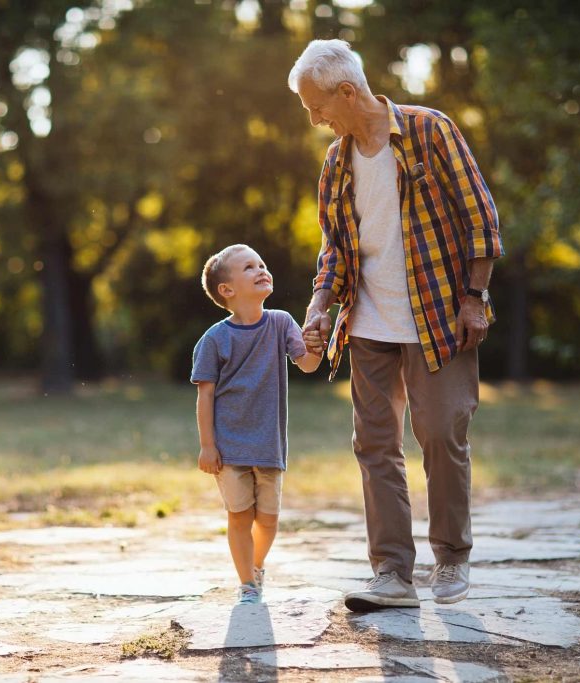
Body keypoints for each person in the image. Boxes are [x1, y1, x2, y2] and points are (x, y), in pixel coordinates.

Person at [289, 40, 504, 611]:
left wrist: (475, 297)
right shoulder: (337, 161)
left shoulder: (431, 131)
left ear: (347, 91)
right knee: (375, 446)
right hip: (369, 321)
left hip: (438, 316)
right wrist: (319, 305)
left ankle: (452, 557)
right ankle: (392, 573)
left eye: (316, 106)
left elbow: (481, 219)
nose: (314, 118)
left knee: (440, 435)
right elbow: (335, 247)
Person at [191, 244, 322, 604]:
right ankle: (247, 582)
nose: (261, 269)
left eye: (262, 264)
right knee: (239, 516)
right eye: (249, 267)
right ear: (228, 290)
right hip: (228, 446)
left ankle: (256, 565)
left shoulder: (280, 323)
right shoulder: (214, 340)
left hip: (268, 445)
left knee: (268, 520)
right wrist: (207, 445)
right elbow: (204, 396)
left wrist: (316, 345)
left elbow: (307, 365)